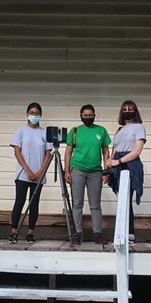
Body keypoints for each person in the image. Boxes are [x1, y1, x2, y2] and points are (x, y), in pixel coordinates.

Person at [64, 103, 111, 246]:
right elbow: (68, 152)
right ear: (80, 116)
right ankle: (77, 233)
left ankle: (97, 233)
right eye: (85, 115)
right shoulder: (75, 131)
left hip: (95, 171)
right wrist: (67, 170)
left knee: (95, 204)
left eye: (90, 115)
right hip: (77, 169)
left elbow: (106, 151)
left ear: (94, 115)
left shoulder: (101, 131)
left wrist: (106, 171)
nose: (88, 117)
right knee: (77, 203)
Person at [9, 102, 54, 244]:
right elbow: (17, 152)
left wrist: (40, 171)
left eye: (37, 113)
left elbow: (48, 153)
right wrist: (27, 170)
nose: (34, 115)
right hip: (23, 173)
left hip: (39, 175)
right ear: (27, 114)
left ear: (40, 115)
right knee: (20, 202)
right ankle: (14, 231)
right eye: (32, 112)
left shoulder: (44, 132)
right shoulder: (20, 131)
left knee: (34, 203)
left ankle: (30, 232)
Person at [106, 100, 147, 245]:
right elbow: (115, 149)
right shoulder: (119, 130)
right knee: (121, 199)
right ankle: (121, 232)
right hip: (117, 164)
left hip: (129, 164)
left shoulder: (139, 127)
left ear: (135, 111)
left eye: (130, 108)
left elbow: (137, 151)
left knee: (127, 199)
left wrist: (120, 161)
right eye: (125, 109)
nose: (127, 111)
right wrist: (111, 162)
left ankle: (130, 233)